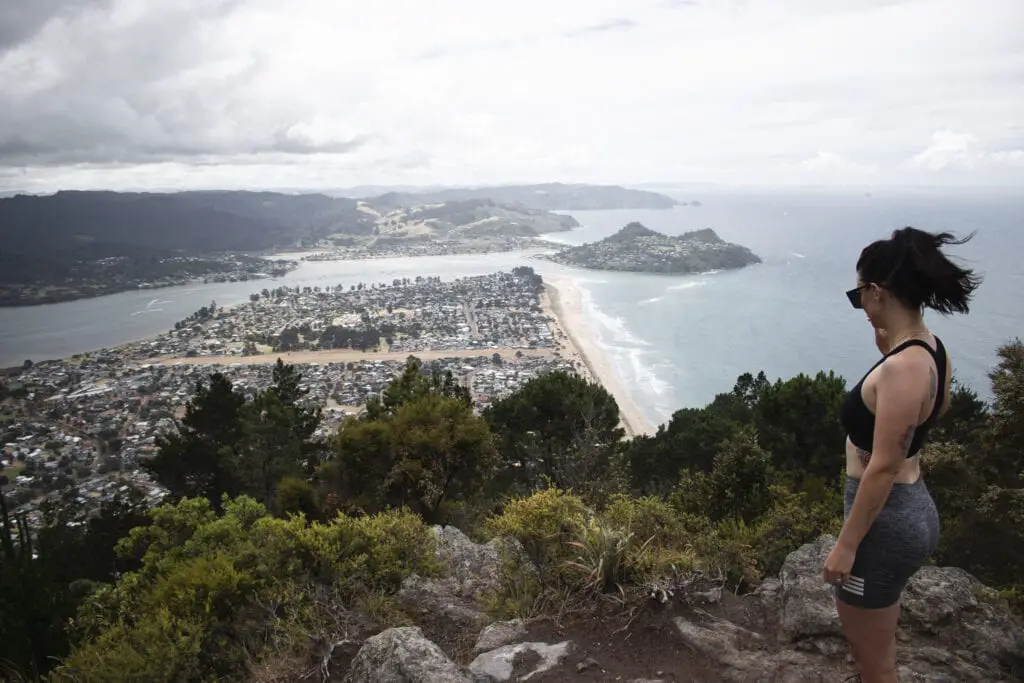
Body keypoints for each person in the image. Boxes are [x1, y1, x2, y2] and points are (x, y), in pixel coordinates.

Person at [824, 226, 982, 683]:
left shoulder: (902, 369)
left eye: (859, 297)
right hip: (913, 509)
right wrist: (887, 350)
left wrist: (846, 546)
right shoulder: (932, 351)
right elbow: (936, 409)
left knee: (873, 662)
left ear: (876, 292)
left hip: (884, 525)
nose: (860, 307)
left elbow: (884, 465)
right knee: (879, 642)